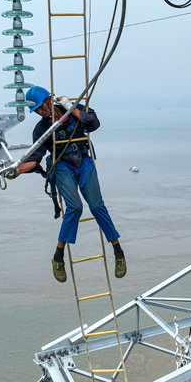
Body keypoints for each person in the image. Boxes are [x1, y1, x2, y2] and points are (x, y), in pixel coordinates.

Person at [15, 86, 126, 283]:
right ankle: (58, 256)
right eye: (37, 111)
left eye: (41, 107)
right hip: (62, 166)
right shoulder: (41, 129)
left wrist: (71, 108)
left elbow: (93, 123)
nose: (41, 112)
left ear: (50, 99)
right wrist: (16, 170)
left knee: (97, 206)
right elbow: (35, 158)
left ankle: (118, 251)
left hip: (83, 161)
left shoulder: (75, 110)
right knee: (75, 207)